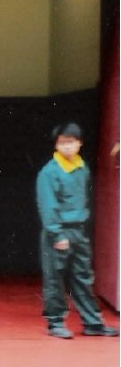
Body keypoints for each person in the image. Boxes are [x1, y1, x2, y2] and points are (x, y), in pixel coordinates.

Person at [36, 122, 118, 339]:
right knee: (55, 278)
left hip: (78, 232)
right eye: (62, 142)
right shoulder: (50, 172)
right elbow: (48, 205)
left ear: (79, 144)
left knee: (83, 277)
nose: (67, 146)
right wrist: (57, 234)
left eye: (71, 142)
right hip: (59, 232)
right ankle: (55, 323)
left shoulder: (82, 168)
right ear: (56, 145)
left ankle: (92, 323)